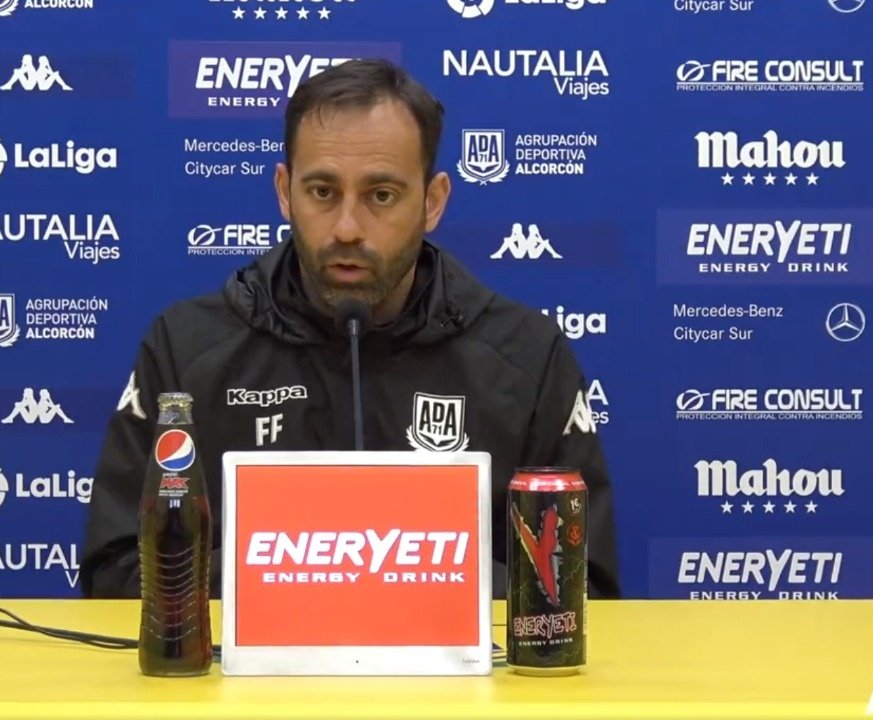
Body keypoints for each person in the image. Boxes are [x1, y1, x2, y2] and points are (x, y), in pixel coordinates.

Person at [78, 58, 620, 600]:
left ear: (432, 202)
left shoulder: (527, 356)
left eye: (381, 195)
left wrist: (403, 580)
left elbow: (583, 589)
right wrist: (312, 577)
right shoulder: (186, 349)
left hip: (455, 686)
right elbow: (115, 572)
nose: (346, 228)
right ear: (284, 191)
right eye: (322, 192)